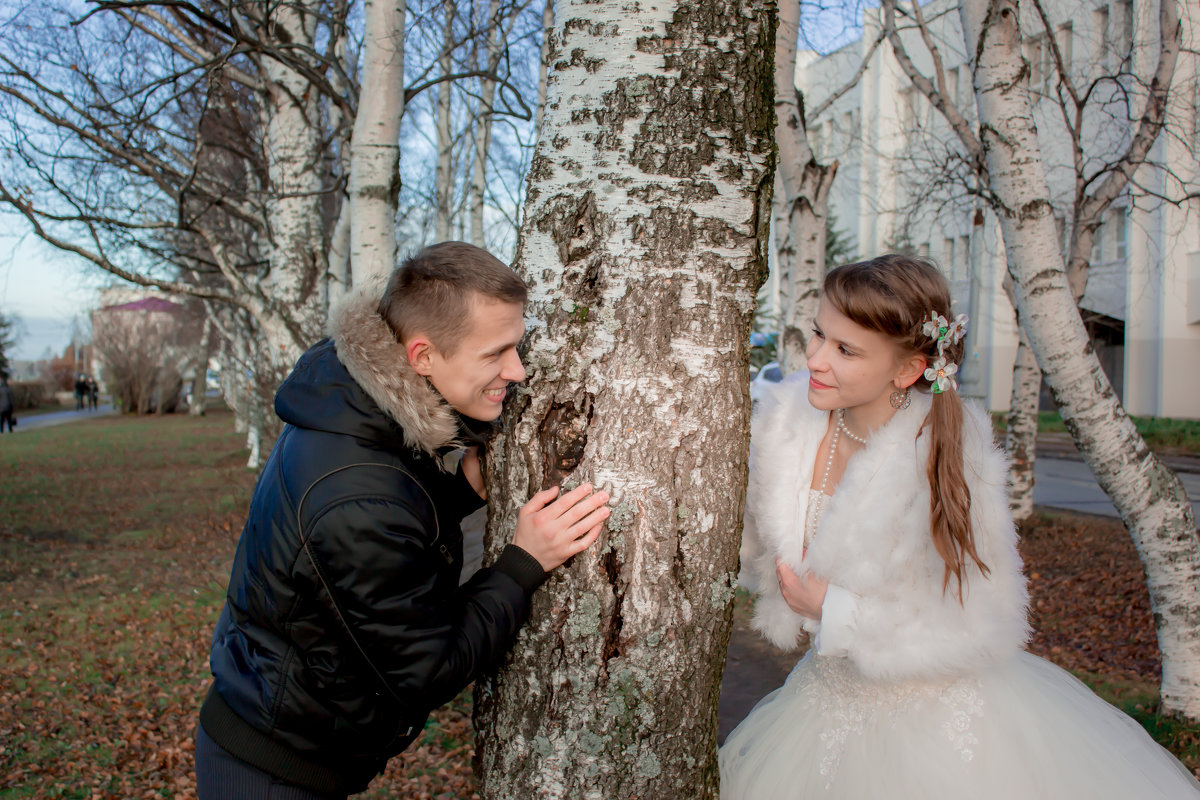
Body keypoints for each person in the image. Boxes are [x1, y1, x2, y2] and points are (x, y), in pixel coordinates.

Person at [721, 255, 1200, 798]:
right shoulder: (786, 426)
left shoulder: (948, 453)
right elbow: (736, 540)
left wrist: (834, 611)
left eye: (845, 350)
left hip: (937, 727)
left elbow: (982, 622)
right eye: (818, 335)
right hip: (819, 707)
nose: (815, 360)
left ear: (905, 370)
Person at [196, 242, 611, 799]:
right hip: (272, 770)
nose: (518, 369)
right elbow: (428, 668)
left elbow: (379, 534)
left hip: (281, 738)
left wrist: (459, 491)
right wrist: (521, 566)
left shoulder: (353, 403)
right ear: (421, 357)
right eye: (495, 353)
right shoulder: (357, 498)